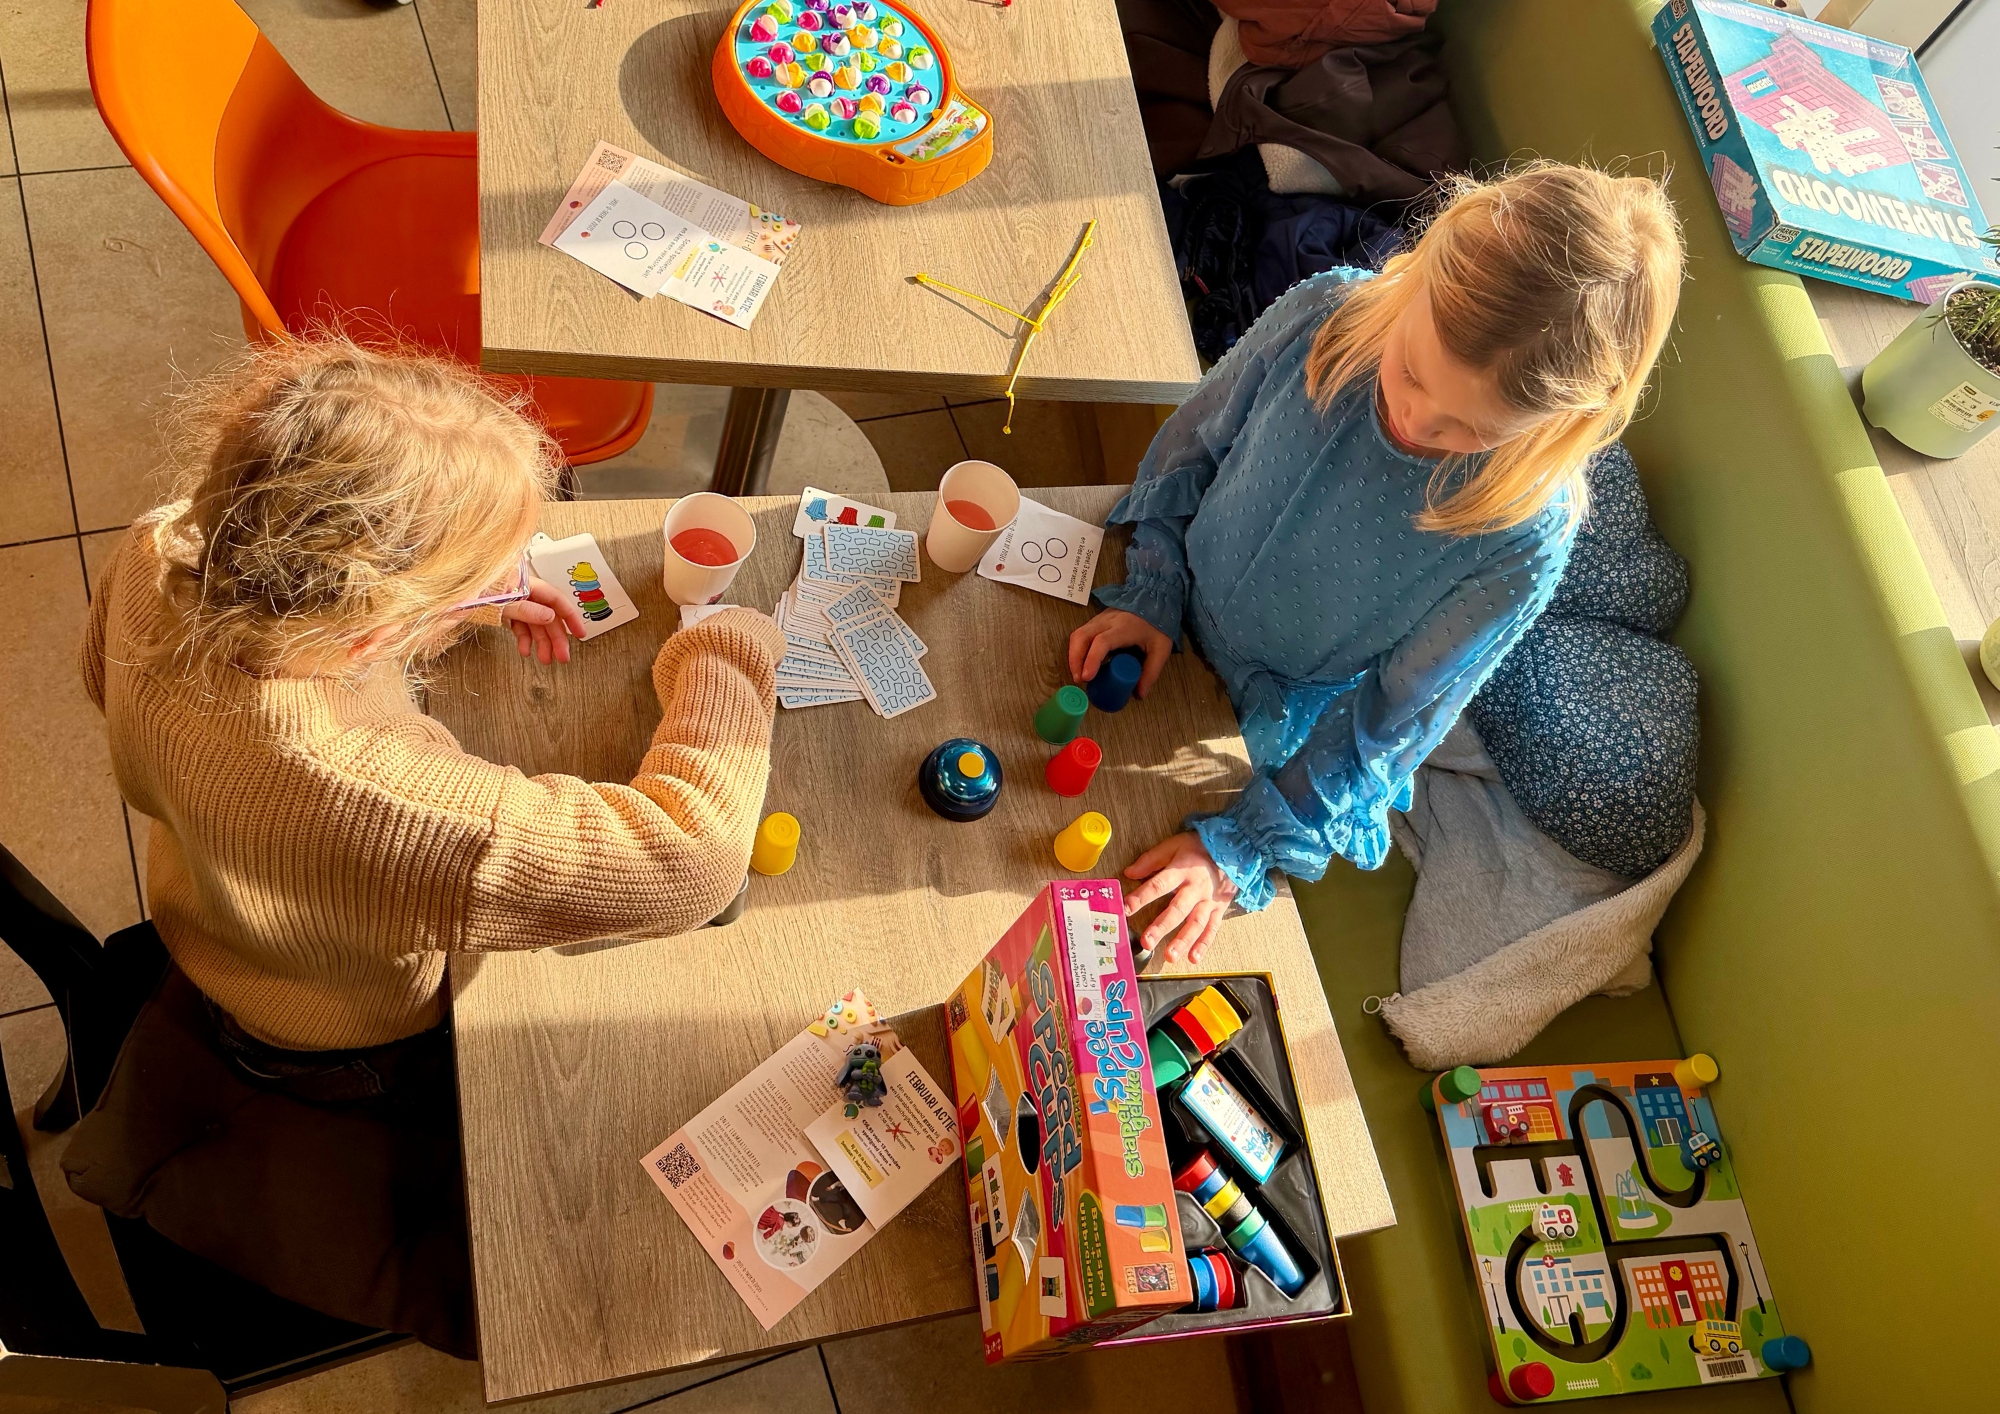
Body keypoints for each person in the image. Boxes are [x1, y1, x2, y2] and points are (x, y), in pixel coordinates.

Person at [66, 336, 784, 1355]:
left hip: (203, 913)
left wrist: (457, 609)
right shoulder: (378, 795)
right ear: (370, 629)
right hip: (343, 1036)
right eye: (480, 576)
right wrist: (725, 651)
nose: (503, 584)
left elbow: (111, 676)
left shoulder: (164, 545)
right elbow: (695, 856)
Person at [1069, 163, 1684, 963]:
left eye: (1470, 428)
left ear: (1560, 426)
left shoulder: (1525, 534)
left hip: (1270, 730)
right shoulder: (1328, 310)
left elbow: (1389, 723)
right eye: (1411, 373)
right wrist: (1153, 585)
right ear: (1415, 277)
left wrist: (1239, 849)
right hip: (1163, 594)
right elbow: (1195, 440)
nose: (1416, 421)